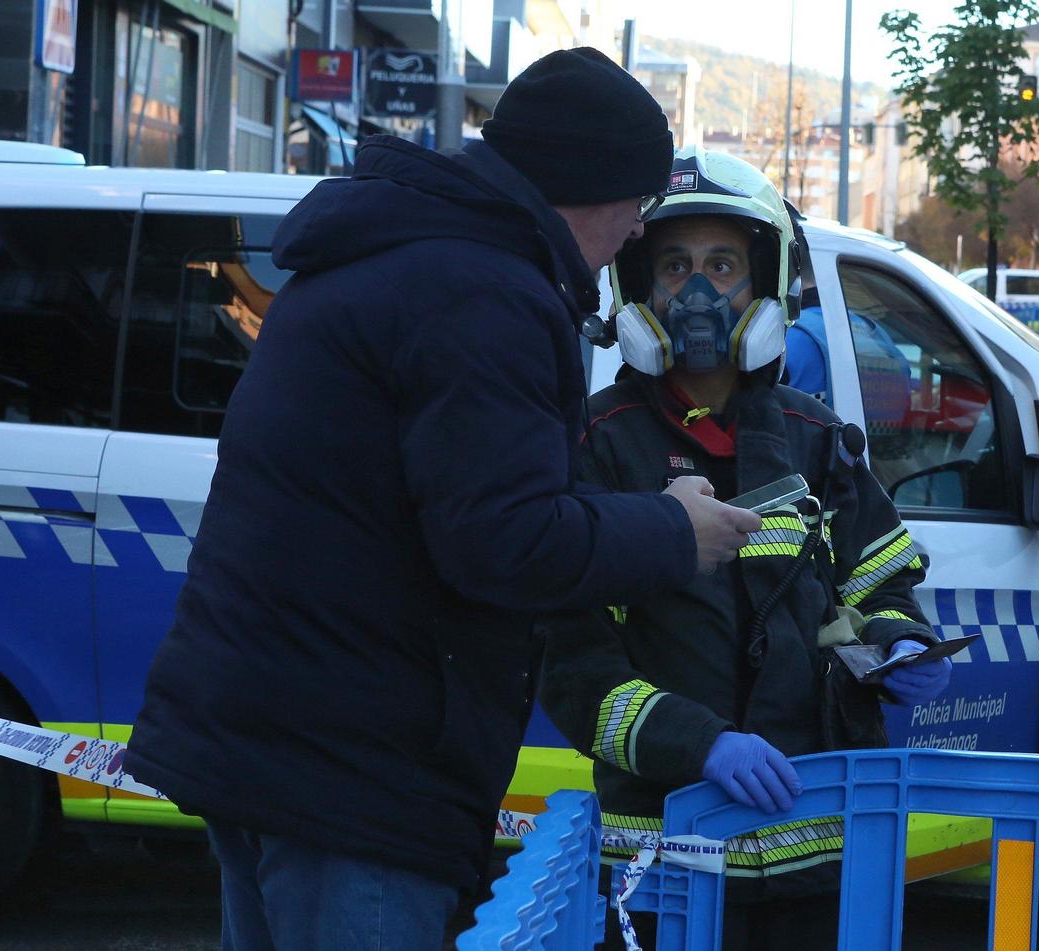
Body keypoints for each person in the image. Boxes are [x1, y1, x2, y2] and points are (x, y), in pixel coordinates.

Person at [124, 48, 763, 951]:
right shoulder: (483, 291)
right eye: (640, 204)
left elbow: (444, 492)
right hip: (355, 770)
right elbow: (501, 543)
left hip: (278, 736)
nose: (635, 234)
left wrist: (621, 509)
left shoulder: (406, 255)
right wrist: (673, 531)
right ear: (590, 183)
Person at [538, 147, 952, 950]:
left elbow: (879, 579)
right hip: (662, 859)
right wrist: (702, 742)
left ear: (764, 281)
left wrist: (898, 635)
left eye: (722, 264)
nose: (698, 291)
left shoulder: (817, 439)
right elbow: (575, 670)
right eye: (675, 265)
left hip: (815, 858)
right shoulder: (594, 444)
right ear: (639, 287)